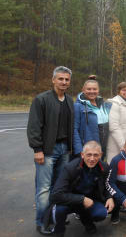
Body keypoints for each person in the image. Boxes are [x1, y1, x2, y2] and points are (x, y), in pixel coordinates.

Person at [27, 66, 74, 235]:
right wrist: (37, 149)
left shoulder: (70, 101)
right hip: (47, 150)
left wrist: (71, 149)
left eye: (66, 79)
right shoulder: (41, 100)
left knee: (59, 187)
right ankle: (41, 221)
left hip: (64, 150)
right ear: (53, 80)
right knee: (44, 188)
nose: (63, 82)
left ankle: (55, 216)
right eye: (60, 79)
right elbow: (34, 127)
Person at [46, 141, 114, 236]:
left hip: (90, 199)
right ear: (82, 154)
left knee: (101, 213)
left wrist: (109, 197)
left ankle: (87, 222)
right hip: (70, 200)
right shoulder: (70, 168)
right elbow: (55, 195)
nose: (92, 158)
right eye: (88, 155)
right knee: (60, 210)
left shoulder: (104, 167)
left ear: (101, 155)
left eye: (96, 155)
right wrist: (82, 199)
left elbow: (107, 185)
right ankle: (58, 231)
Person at [73, 75, 111, 157]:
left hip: (103, 147)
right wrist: (79, 149)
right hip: (89, 148)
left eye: (94, 89)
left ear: (98, 90)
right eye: (89, 89)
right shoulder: (78, 106)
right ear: (83, 90)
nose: (92, 91)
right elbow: (74, 129)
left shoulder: (103, 105)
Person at [106, 82, 126, 162]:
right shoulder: (114, 103)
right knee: (115, 167)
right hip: (116, 145)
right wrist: (123, 145)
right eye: (124, 90)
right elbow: (114, 126)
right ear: (119, 91)